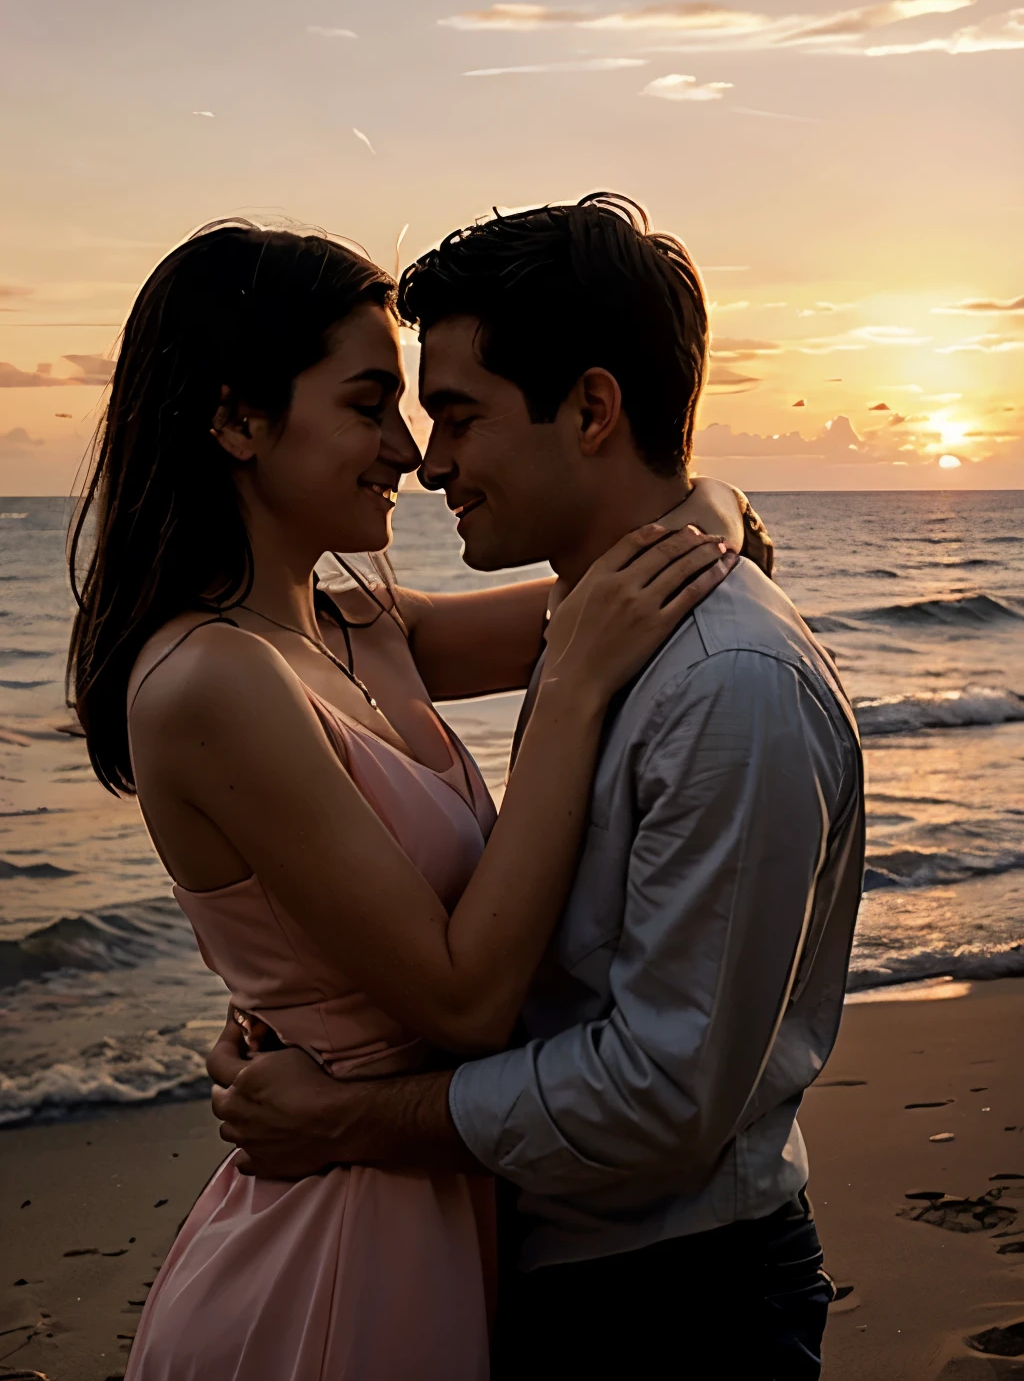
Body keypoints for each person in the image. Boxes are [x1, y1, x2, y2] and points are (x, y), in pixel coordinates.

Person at [67, 216, 743, 1381]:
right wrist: (572, 694)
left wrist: (721, 505)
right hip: (334, 1248)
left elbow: (654, 551)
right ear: (236, 420)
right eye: (370, 403)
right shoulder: (208, 683)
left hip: (444, 1200)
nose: (412, 450)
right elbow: (466, 1000)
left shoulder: (362, 626)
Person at [208, 194, 865, 1381]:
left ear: (594, 407)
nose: (427, 459)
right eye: (392, 411)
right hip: (550, 1271)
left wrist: (345, 1116)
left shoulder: (727, 689)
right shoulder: (601, 623)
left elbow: (660, 1098)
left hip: (672, 1309)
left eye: (453, 414)